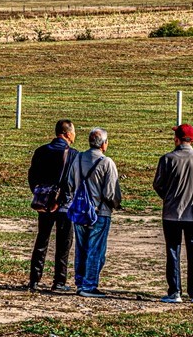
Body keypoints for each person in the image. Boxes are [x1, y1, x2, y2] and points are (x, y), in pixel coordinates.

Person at [152, 123, 193, 305]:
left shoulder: (167, 159)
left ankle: (174, 291)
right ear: (192, 139)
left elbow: (158, 184)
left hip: (171, 213)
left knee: (173, 251)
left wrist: (169, 196)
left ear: (177, 139)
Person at [62, 127, 120, 298]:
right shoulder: (106, 162)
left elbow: (70, 183)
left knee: (81, 248)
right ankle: (89, 284)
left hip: (80, 211)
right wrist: (116, 204)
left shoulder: (78, 158)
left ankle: (80, 282)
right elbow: (111, 193)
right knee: (96, 250)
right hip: (100, 212)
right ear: (103, 144)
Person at [27, 119, 78, 292]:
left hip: (44, 203)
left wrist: (39, 194)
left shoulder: (41, 151)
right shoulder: (73, 154)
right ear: (67, 133)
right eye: (73, 131)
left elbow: (32, 176)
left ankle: (34, 279)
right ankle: (59, 281)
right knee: (64, 244)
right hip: (64, 205)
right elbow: (71, 181)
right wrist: (60, 200)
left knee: (42, 239)